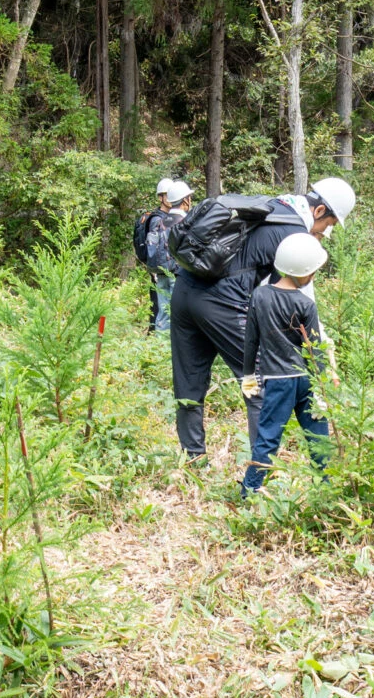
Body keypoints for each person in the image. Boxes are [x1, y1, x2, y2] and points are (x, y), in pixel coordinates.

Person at [170, 175, 357, 458]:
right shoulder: (295, 234)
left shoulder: (273, 206)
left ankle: (192, 460)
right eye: (327, 225)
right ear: (319, 211)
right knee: (258, 384)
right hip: (222, 302)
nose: (324, 232)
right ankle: (260, 474)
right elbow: (300, 300)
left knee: (188, 382)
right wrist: (318, 348)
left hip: (184, 290)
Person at [239, 233, 333, 493]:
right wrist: (322, 391)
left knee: (267, 438)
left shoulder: (259, 296)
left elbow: (251, 340)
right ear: (303, 272)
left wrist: (248, 375)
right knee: (318, 437)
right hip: (306, 381)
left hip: (278, 381)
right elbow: (314, 351)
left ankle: (250, 490)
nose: (313, 276)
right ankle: (324, 489)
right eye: (312, 272)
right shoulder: (306, 304)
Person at [143, 179, 193, 334]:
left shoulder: (161, 221)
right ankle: (172, 351)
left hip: (161, 273)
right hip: (178, 275)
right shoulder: (185, 222)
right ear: (185, 200)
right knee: (181, 315)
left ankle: (159, 348)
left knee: (163, 314)